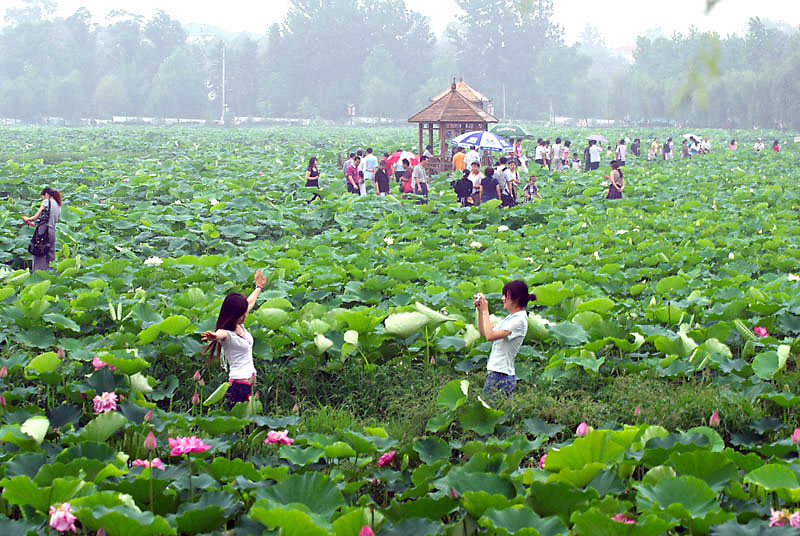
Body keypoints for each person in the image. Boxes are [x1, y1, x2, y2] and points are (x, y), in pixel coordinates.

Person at [202, 269, 266, 409]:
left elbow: (249, 302)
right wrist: (214, 336)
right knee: (242, 426)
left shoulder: (240, 324)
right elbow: (221, 333)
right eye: (242, 314)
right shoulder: (227, 334)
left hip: (249, 384)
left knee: (249, 425)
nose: (245, 315)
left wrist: (258, 287)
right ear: (233, 314)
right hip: (238, 386)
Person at [474, 280, 534, 397]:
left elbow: (490, 336)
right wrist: (481, 311)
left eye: (506, 295)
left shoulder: (519, 320)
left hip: (501, 376)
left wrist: (486, 310)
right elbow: (483, 332)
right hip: (497, 373)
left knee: (489, 409)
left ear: (516, 298)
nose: (502, 298)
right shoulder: (511, 318)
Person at [22, 187, 62, 272]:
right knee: (50, 255)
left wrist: (27, 219)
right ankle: (51, 274)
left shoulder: (47, 201)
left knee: (38, 252)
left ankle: (38, 273)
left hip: (43, 232)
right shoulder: (58, 206)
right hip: (52, 232)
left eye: (43, 197)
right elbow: (47, 220)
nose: (43, 199)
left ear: (46, 194)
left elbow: (35, 217)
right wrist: (32, 224)